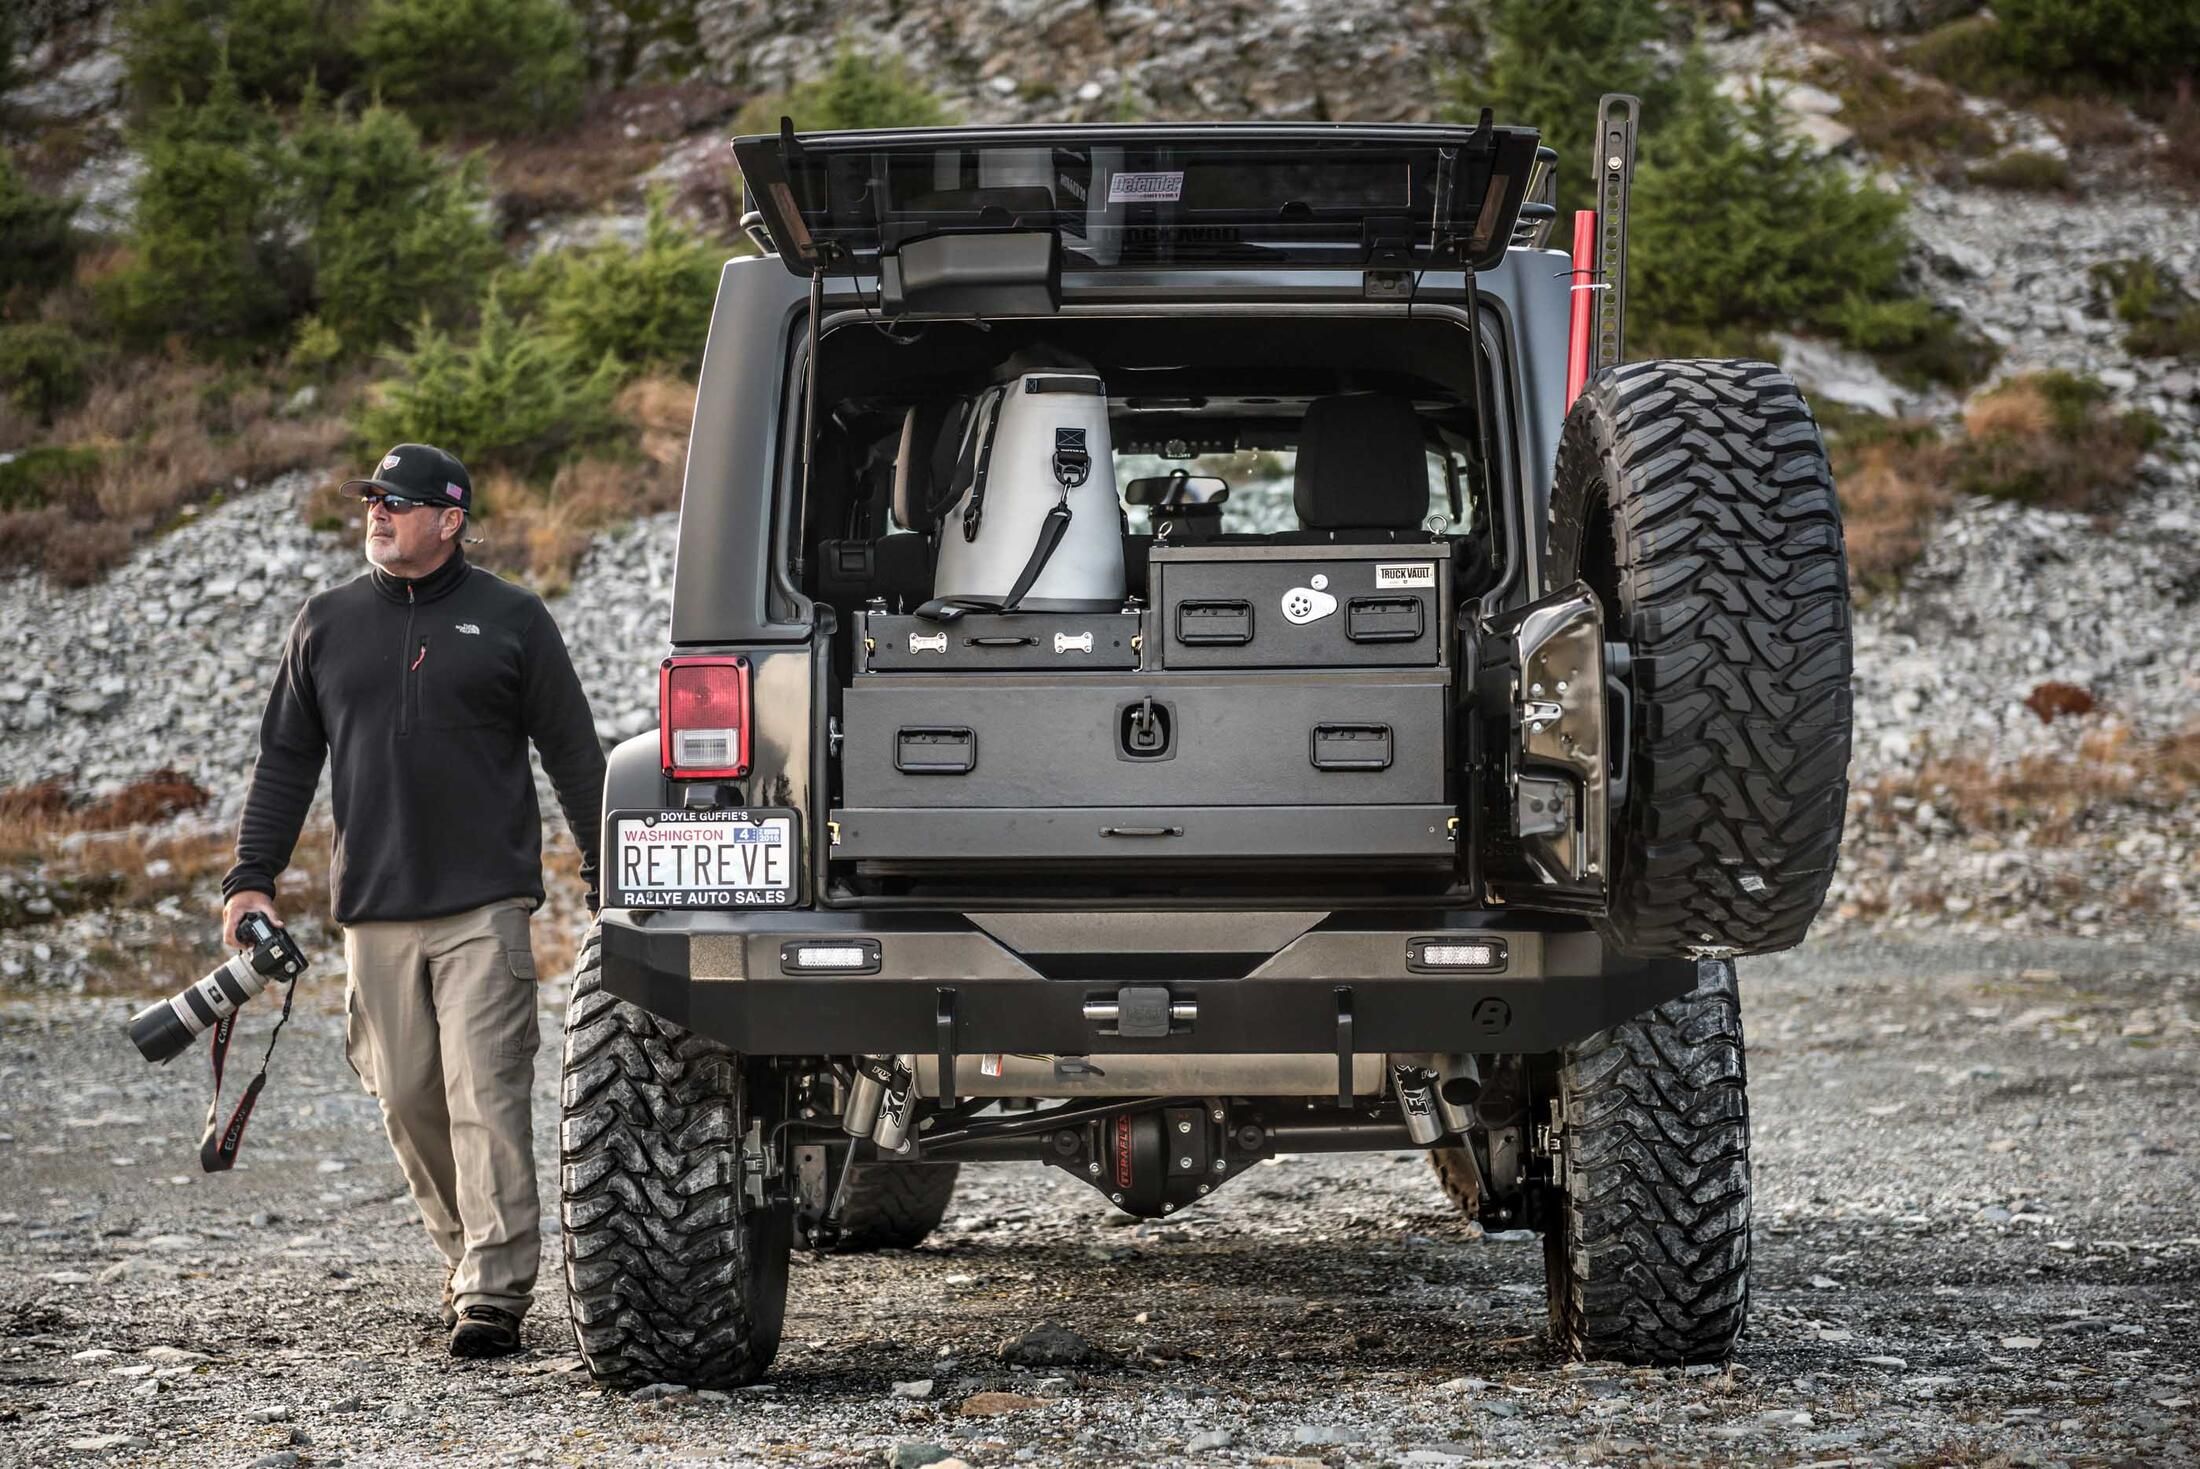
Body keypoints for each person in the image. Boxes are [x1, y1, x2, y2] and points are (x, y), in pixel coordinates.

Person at [219, 442, 604, 1359]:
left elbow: (575, 754)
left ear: (450, 518)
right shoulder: (325, 621)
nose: (377, 513)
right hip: (374, 911)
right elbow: (284, 760)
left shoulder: (512, 618)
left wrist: (609, 877)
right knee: (404, 1096)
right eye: (372, 500)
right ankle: (468, 1250)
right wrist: (250, 878)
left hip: (485, 907)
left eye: (398, 501)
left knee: (486, 1091)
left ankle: (494, 1291)